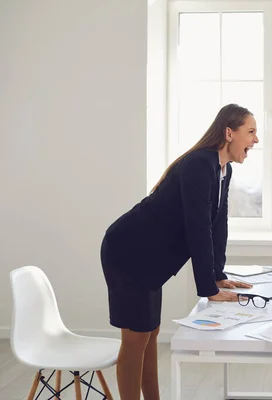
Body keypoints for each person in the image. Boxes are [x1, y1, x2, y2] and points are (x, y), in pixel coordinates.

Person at [100, 104, 259, 400]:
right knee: (135, 339)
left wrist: (217, 275)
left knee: (150, 336)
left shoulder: (223, 170)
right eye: (251, 132)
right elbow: (197, 229)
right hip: (127, 252)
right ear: (229, 133)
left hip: (149, 260)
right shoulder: (200, 164)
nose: (255, 140)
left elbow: (217, 226)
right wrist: (207, 288)